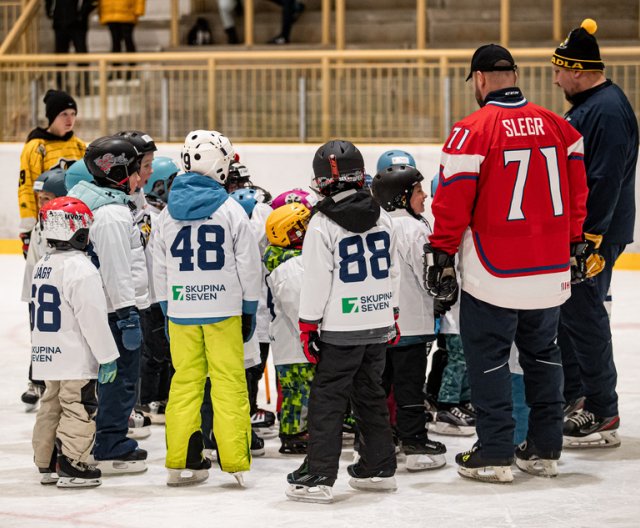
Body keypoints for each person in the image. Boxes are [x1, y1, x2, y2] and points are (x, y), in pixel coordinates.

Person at [424, 44, 590, 482]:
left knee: (491, 358)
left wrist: (440, 254)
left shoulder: (471, 130)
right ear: (513, 75)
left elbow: (452, 203)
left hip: (493, 270)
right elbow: (577, 198)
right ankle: (545, 449)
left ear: (479, 79)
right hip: (551, 267)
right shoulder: (561, 127)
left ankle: (495, 452)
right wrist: (574, 244)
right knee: (544, 355)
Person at [286, 139, 399, 503]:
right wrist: (392, 314)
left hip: (340, 325)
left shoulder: (321, 223)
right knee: (370, 393)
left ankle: (318, 473)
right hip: (378, 319)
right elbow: (392, 272)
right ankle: (378, 466)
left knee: (328, 399)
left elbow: (317, 279)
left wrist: (308, 325)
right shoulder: (382, 214)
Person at [152, 130, 261, 487]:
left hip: (182, 311)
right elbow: (248, 265)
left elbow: (159, 268)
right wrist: (248, 308)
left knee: (184, 384)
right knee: (229, 383)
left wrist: (169, 308)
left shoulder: (167, 214)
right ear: (218, 164)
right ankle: (236, 464)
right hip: (224, 311)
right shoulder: (230, 210)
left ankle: (180, 461)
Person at [552, 19, 638, 449]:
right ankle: (578, 395)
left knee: (584, 314)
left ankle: (602, 408)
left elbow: (603, 179)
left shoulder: (605, 110)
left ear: (580, 71)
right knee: (571, 314)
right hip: (585, 232)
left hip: (595, 235)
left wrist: (591, 239)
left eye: (560, 71)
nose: (555, 78)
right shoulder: (592, 105)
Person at [67, 136, 149, 474]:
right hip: (117, 310)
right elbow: (117, 269)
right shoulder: (113, 213)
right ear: (118, 172)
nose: (141, 177)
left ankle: (92, 438)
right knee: (121, 378)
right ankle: (111, 442)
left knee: (102, 377)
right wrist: (128, 313)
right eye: (135, 170)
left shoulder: (95, 201)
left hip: (103, 306)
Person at [30, 196, 119, 488]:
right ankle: (72, 462)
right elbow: (92, 317)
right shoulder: (80, 267)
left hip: (48, 352)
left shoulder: (44, 263)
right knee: (78, 405)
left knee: (51, 403)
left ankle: (46, 461)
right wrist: (107, 356)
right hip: (74, 355)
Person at [371, 162, 447, 471]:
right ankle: (414, 442)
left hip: (380, 322)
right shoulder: (414, 228)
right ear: (400, 196)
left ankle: (380, 441)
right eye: (418, 191)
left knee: (382, 386)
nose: (425, 197)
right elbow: (428, 274)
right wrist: (442, 295)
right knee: (410, 387)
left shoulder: (377, 223)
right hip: (410, 325)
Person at [264, 201, 314, 454]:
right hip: (293, 340)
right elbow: (297, 306)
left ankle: (300, 429)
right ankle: (293, 433)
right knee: (298, 390)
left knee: (302, 388)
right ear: (292, 232)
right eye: (304, 226)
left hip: (293, 339)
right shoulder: (291, 267)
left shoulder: (293, 261)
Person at [20, 168, 69, 412]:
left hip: (59, 293)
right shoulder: (41, 224)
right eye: (39, 199)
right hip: (39, 294)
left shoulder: (65, 224)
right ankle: (37, 380)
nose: (41, 203)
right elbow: (33, 262)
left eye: (46, 198)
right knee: (40, 337)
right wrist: (30, 295)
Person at [18, 90, 85, 259]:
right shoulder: (37, 147)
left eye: (73, 114)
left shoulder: (78, 145)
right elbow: (26, 188)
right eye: (64, 114)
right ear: (52, 116)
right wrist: (28, 229)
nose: (70, 119)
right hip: (46, 223)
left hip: (74, 221)